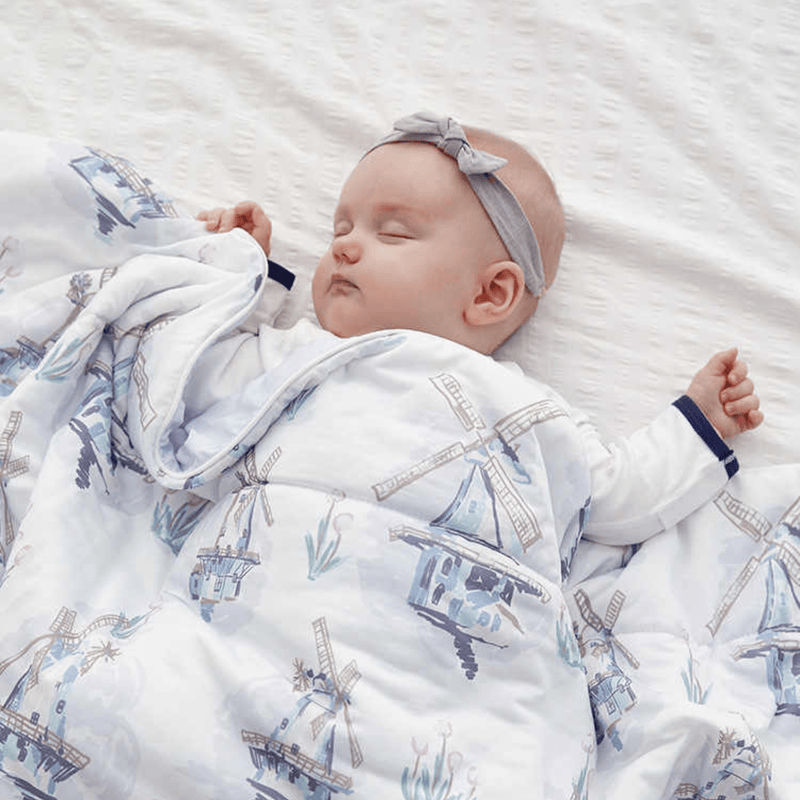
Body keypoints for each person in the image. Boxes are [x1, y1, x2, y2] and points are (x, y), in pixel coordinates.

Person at [197, 111, 763, 544]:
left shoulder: (520, 408)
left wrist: (699, 424)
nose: (344, 247)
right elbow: (202, 385)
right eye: (340, 230)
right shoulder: (299, 353)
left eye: (392, 233)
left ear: (490, 294)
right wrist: (240, 271)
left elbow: (614, 498)